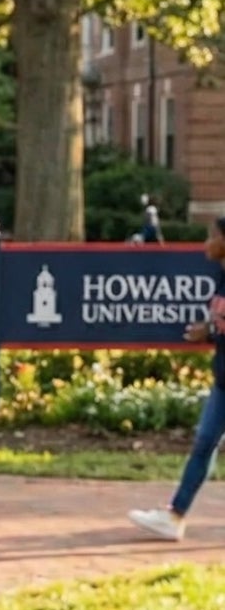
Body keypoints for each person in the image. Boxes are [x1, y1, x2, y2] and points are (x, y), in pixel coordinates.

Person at [130, 216, 225, 540]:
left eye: (211, 236)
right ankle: (174, 517)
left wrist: (210, 330)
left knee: (204, 445)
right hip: (223, 380)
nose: (205, 244)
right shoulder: (221, 277)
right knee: (203, 444)